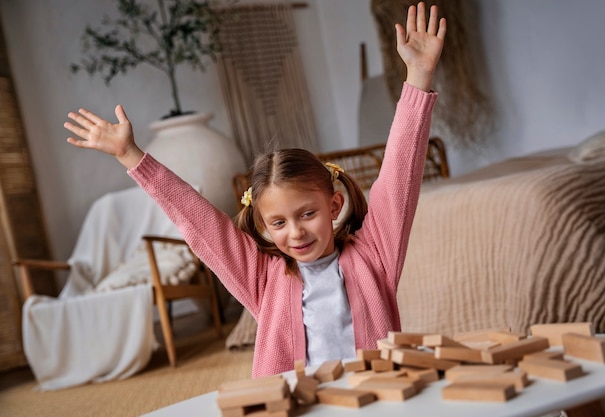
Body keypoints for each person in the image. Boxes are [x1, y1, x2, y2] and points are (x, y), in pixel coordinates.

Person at [64, 2, 446, 378]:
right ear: (262, 225)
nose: (294, 232)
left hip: (376, 402)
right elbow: (200, 222)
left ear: (334, 205)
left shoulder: (375, 252)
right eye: (277, 222)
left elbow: (400, 174)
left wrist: (418, 77)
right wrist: (132, 156)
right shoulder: (262, 276)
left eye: (307, 214)